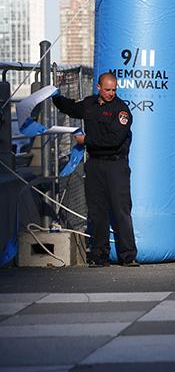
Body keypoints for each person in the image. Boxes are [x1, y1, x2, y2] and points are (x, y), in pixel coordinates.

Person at [51, 73, 138, 267]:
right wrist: (54, 95)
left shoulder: (121, 110)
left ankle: (128, 255)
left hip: (115, 165)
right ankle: (99, 255)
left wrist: (86, 141)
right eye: (108, 89)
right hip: (95, 164)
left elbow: (114, 141)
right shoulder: (90, 104)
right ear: (99, 87)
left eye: (114, 89)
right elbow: (72, 108)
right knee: (97, 211)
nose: (111, 93)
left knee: (120, 209)